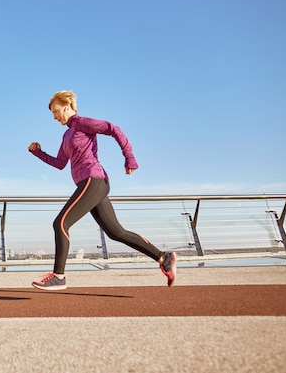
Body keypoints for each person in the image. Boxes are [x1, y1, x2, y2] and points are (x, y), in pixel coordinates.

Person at [28, 90, 176, 291]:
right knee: (116, 232)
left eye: (56, 111)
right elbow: (60, 163)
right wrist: (38, 153)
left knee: (60, 223)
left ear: (66, 106)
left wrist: (129, 157)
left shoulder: (81, 123)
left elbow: (112, 128)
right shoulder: (67, 134)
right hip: (89, 184)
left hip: (94, 179)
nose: (54, 117)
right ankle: (163, 257)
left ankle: (58, 276)